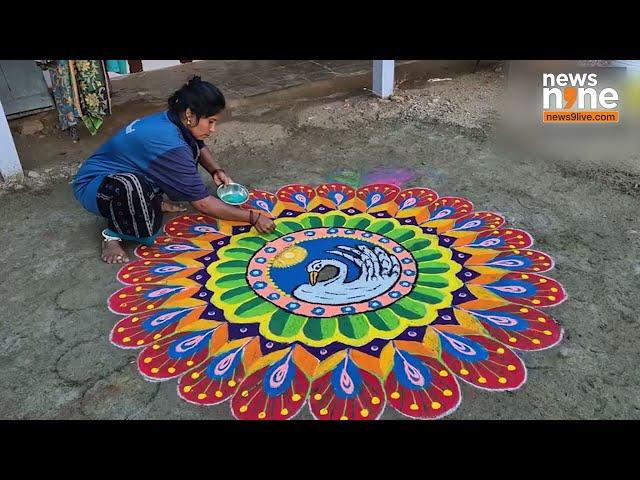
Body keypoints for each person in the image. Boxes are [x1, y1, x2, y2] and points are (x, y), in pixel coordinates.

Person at [71, 75, 275, 264]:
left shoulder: (172, 120)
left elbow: (196, 143)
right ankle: (112, 235)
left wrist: (215, 170)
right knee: (132, 188)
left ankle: (151, 201)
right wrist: (253, 217)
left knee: (151, 177)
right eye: (210, 122)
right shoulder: (169, 145)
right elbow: (203, 204)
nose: (213, 129)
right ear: (189, 114)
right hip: (96, 187)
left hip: (123, 174)